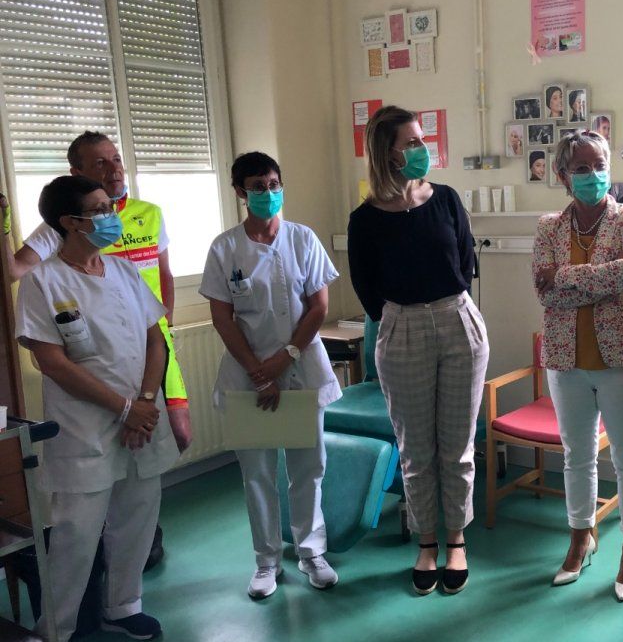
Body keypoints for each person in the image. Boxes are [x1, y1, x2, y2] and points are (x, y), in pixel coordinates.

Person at [15, 175, 178, 642]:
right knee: (75, 535)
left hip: (140, 420)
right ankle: (53, 636)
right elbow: (51, 362)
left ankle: (122, 606)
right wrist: (125, 408)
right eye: (102, 209)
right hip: (85, 429)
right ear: (71, 222)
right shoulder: (42, 282)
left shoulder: (123, 271)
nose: (113, 216)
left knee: (137, 517)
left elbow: (154, 338)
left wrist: (145, 404)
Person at [348, 106, 488, 596]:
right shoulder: (364, 220)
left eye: (420, 139)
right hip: (401, 326)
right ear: (387, 153)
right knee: (416, 449)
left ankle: (456, 539)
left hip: (457, 320)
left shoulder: (446, 200)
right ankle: (425, 541)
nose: (420, 148)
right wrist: (402, 319)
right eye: (409, 142)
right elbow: (366, 288)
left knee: (457, 446)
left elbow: (466, 261)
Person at [200, 151, 341, 599]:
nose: (268, 193)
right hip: (248, 373)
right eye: (258, 186)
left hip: (300, 365)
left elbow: (318, 306)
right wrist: (259, 373)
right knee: (257, 472)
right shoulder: (225, 248)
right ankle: (266, 562)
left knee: (308, 468)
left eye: (274, 184)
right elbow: (223, 318)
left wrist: (286, 358)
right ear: (240, 192)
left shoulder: (302, 238)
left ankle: (311, 552)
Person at [1, 132, 192, 455]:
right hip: (96, 362)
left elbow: (164, 273)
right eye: (100, 163)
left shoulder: (148, 213)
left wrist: (166, 322)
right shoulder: (60, 228)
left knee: (179, 433)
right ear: (77, 173)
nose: (114, 169)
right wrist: (3, 229)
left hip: (152, 336)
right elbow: (14, 271)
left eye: (116, 159)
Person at [533, 130, 623, 602]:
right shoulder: (549, 226)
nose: (593, 175)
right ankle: (579, 537)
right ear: (564, 177)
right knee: (577, 456)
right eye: (581, 168)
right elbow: (540, 288)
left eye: (599, 164)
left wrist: (564, 277)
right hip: (566, 360)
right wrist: (588, 282)